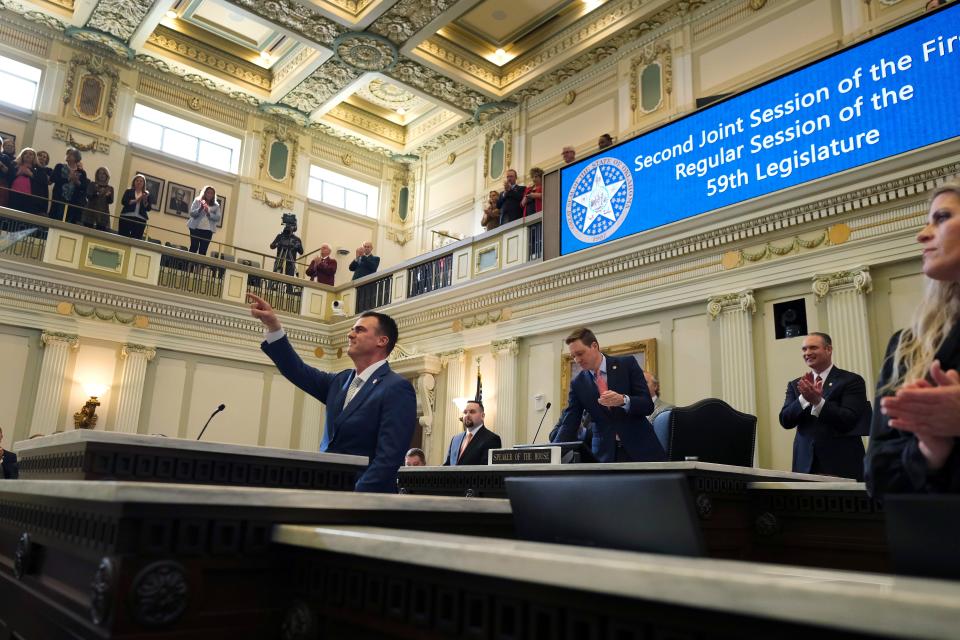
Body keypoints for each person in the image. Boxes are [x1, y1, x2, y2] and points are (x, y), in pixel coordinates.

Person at [249, 293, 416, 493]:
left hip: (364, 502)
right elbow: (297, 370)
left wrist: (355, 498)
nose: (350, 334)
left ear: (382, 340)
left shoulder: (396, 388)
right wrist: (274, 328)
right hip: (324, 491)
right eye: (352, 329)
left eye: (359, 330)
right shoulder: (340, 381)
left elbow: (388, 458)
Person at [866, 183, 960, 496]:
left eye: (942, 217)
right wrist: (929, 450)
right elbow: (877, 474)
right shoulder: (907, 346)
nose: (922, 234)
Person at [555, 327, 665, 462]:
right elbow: (569, 423)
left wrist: (623, 400)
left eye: (580, 353)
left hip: (641, 450)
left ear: (594, 346)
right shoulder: (578, 383)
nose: (577, 360)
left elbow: (647, 405)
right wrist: (551, 454)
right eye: (573, 356)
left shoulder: (627, 364)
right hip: (605, 455)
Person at [778, 333, 869, 480]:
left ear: (828, 349)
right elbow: (785, 420)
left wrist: (818, 402)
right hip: (805, 466)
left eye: (813, 348)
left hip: (842, 464)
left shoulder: (851, 380)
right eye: (804, 349)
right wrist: (803, 399)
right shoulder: (796, 385)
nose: (807, 353)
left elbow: (849, 419)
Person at [443, 400, 502, 466]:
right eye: (465, 412)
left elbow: (487, 471)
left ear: (482, 416)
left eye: (472, 412)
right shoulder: (455, 439)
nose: (467, 415)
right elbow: (447, 465)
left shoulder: (492, 439)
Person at [50, 148, 88, 224]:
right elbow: (53, 178)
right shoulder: (59, 166)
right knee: (55, 219)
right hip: (59, 199)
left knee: (68, 221)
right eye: (67, 154)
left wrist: (77, 182)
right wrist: (68, 179)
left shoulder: (82, 173)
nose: (68, 155)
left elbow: (84, 187)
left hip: (73, 202)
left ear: (76, 158)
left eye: (70, 154)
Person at [187, 186, 221, 255]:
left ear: (213, 195)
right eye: (208, 192)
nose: (209, 195)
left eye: (211, 193)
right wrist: (200, 209)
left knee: (203, 251)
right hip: (195, 229)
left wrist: (209, 214)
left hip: (208, 231)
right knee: (193, 248)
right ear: (204, 193)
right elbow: (192, 213)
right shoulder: (197, 201)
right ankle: (189, 265)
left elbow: (218, 217)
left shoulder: (216, 205)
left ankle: (199, 266)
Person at [118, 174, 151, 240]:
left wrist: (144, 199)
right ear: (134, 182)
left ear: (144, 183)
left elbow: (148, 208)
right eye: (137, 180)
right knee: (122, 237)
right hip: (126, 217)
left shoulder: (146, 194)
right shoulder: (128, 191)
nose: (139, 182)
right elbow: (124, 202)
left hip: (140, 219)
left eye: (141, 181)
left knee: (136, 239)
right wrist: (137, 200)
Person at [7, 148, 37, 214]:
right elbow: (9, 176)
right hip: (14, 192)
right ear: (22, 155)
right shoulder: (14, 165)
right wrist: (18, 173)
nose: (28, 155)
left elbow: (38, 183)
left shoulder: (36, 169)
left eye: (31, 154)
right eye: (25, 153)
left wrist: (31, 175)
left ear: (34, 157)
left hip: (28, 196)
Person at [84, 167, 114, 231]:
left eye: (104, 174)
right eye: (100, 173)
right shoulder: (92, 184)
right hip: (90, 212)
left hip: (103, 213)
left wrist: (108, 196)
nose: (102, 175)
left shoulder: (110, 188)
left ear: (107, 176)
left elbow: (110, 201)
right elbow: (88, 196)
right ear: (97, 175)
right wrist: (97, 193)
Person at [34, 150, 51, 215]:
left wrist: (42, 168)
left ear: (46, 160)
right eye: (40, 155)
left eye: (44, 157)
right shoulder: (32, 167)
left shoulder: (48, 170)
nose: (42, 157)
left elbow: (49, 182)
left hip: (42, 193)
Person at [0, 136, 13, 208]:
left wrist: (1, 165)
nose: (10, 147)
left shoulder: (5, 157)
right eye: (8, 145)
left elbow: (9, 173)